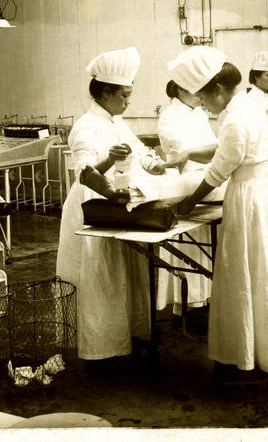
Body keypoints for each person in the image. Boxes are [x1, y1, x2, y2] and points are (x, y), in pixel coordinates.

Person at [173, 46, 268, 384]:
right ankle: (262, 349)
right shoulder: (245, 106)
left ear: (217, 89)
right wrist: (186, 154)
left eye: (202, 98)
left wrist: (187, 204)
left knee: (244, 274)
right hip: (263, 196)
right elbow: (223, 150)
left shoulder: (236, 118)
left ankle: (246, 358)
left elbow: (218, 171)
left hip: (250, 201)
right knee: (263, 272)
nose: (202, 104)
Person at [55, 47, 168, 367]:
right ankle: (101, 349)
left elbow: (138, 150)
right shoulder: (85, 126)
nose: (128, 102)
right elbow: (86, 172)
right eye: (124, 95)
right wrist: (110, 161)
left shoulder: (117, 121)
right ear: (105, 92)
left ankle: (128, 337)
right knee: (102, 278)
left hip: (119, 205)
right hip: (93, 209)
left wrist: (153, 163)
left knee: (126, 273)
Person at [154, 79, 221, 322]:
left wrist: (213, 153)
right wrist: (212, 153)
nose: (202, 95)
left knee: (203, 248)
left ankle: (203, 301)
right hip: (184, 182)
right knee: (189, 249)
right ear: (181, 90)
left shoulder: (198, 113)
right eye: (196, 90)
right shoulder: (170, 116)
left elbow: (214, 146)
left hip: (203, 178)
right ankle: (188, 305)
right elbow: (187, 154)